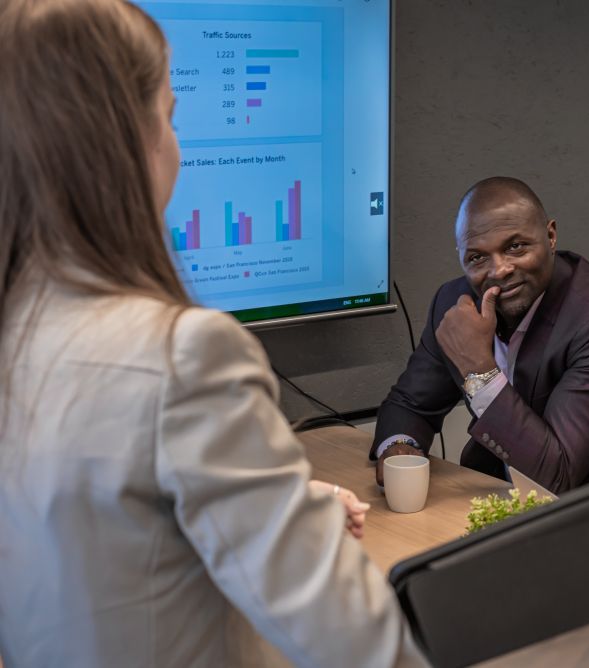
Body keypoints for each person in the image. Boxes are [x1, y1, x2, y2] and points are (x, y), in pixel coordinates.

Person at [0, 1, 426, 665]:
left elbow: (95, 534)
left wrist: (268, 499)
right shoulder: (185, 356)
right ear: (131, 143)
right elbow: (357, 643)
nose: (177, 144)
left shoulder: (21, 337)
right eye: (170, 116)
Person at [370, 177, 589, 494]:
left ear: (551, 236)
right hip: (498, 493)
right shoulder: (455, 305)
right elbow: (410, 404)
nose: (499, 270)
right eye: (477, 257)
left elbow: (558, 475)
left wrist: (478, 371)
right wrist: (399, 444)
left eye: (515, 247)